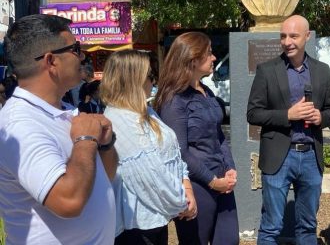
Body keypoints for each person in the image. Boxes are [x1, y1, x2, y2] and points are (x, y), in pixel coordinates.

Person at [0, 14, 117, 244]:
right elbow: (68, 201)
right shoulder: (20, 124)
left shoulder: (65, 110)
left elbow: (106, 176)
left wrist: (105, 144)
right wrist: (85, 140)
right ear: (51, 61)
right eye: (75, 49)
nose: (82, 56)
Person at [247, 15, 330, 244]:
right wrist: (288, 115)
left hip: (310, 156)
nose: (287, 41)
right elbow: (253, 113)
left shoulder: (322, 70)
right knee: (271, 226)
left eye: (293, 36)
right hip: (279, 156)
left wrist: (320, 117)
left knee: (308, 226)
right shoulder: (267, 70)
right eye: (283, 36)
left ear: (307, 36)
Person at [100, 50, 196, 245]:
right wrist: (180, 202)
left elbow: (173, 155)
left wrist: (186, 187)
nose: (154, 82)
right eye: (150, 76)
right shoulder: (118, 120)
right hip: (137, 227)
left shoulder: (145, 111)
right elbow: (149, 175)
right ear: (133, 80)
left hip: (156, 218)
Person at [156, 32, 239, 245]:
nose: (213, 58)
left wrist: (229, 167)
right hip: (196, 185)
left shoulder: (206, 92)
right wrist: (213, 181)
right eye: (209, 53)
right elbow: (179, 151)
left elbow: (218, 135)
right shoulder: (174, 100)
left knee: (228, 240)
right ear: (193, 59)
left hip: (222, 181)